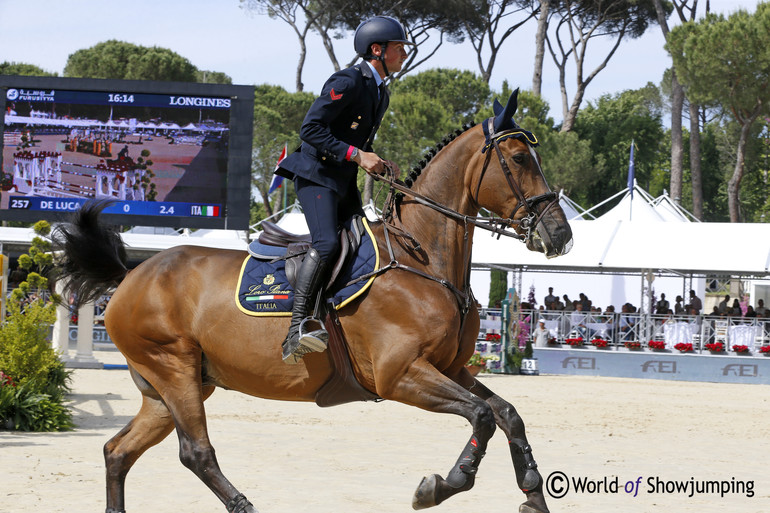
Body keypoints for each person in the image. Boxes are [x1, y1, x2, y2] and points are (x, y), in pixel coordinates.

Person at [274, 15, 411, 364]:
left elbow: (356, 142)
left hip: (340, 179)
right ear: (377, 50)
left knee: (364, 239)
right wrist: (356, 155)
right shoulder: (349, 81)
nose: (404, 55)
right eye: (399, 48)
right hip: (315, 174)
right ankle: (297, 329)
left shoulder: (381, 92)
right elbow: (311, 130)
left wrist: (379, 163)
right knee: (327, 242)